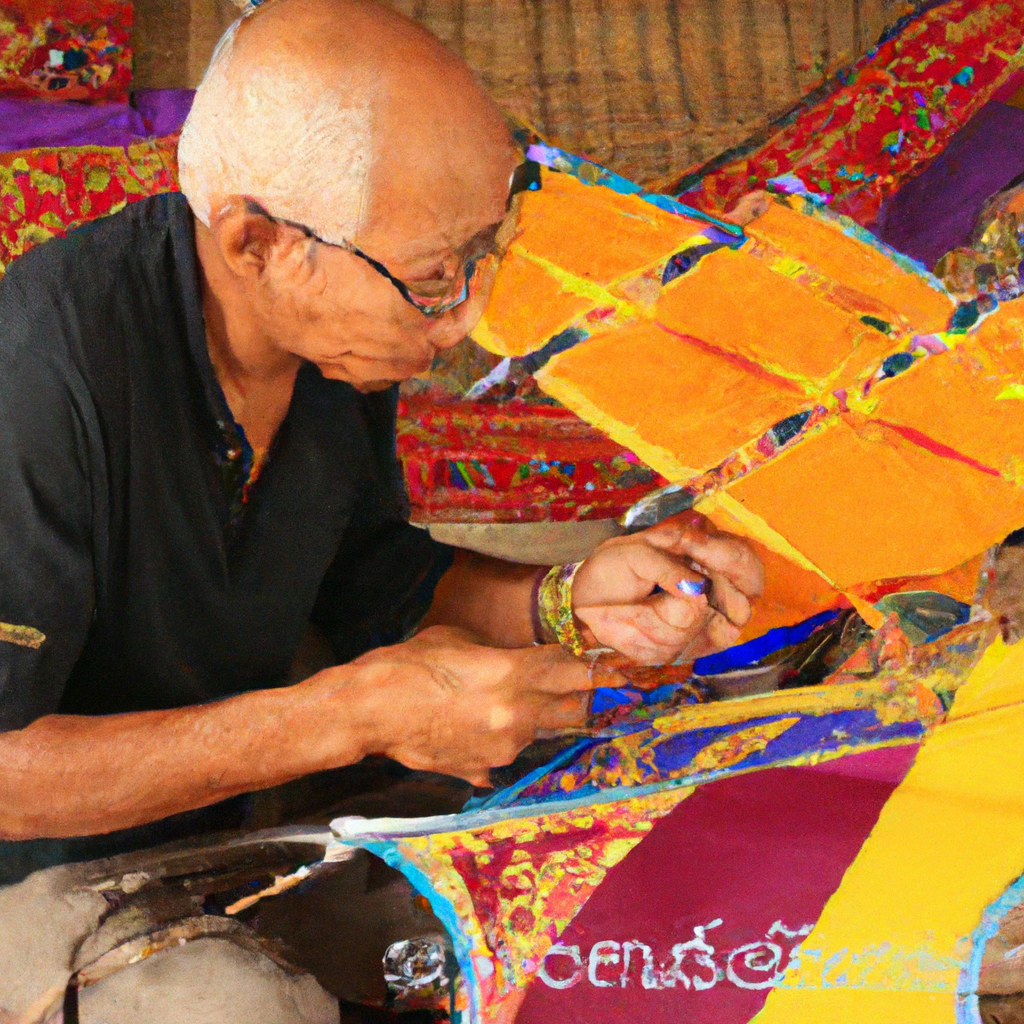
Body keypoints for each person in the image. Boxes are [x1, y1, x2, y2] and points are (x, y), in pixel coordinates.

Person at [0, 0, 764, 879]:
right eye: (435, 275)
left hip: (229, 833)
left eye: (482, 254)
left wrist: (566, 599)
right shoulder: (42, 365)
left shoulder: (332, 351)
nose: (465, 319)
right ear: (258, 243)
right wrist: (350, 715)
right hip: (38, 886)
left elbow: (368, 582)